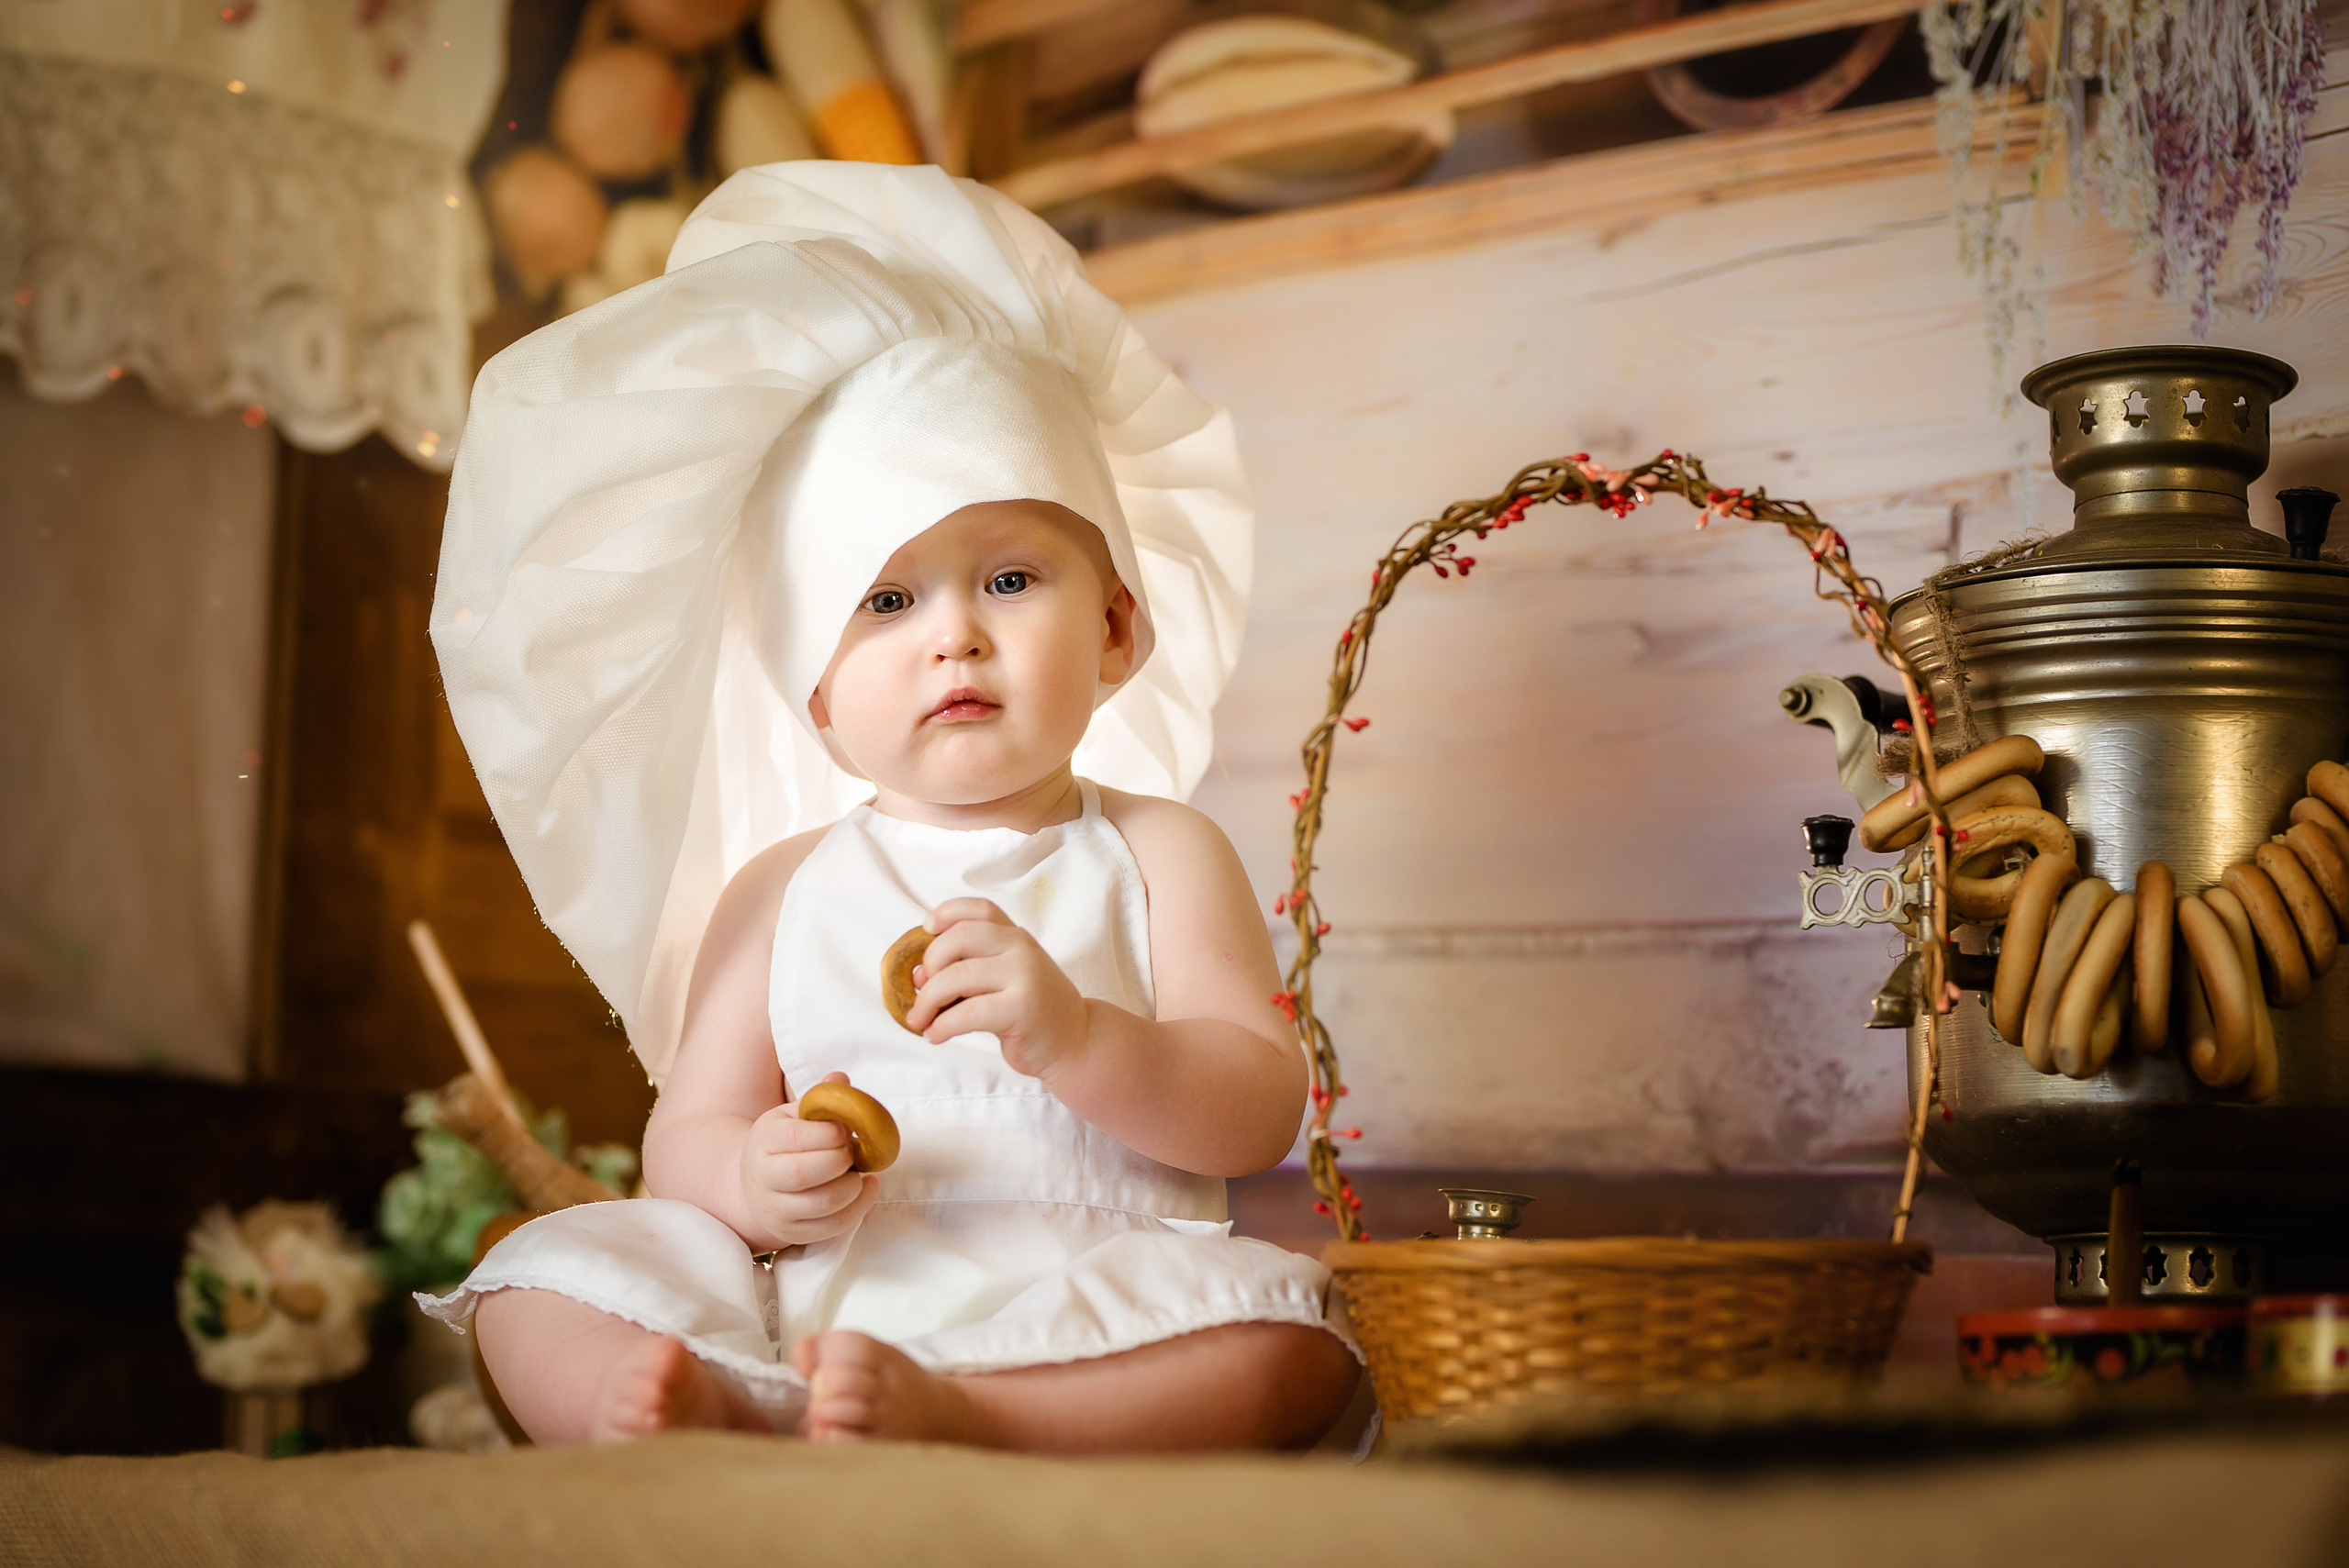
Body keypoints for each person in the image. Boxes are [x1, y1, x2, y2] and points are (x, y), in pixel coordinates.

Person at [418, 162, 1360, 1450]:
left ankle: (980, 1415)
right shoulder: (784, 887)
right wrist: (750, 1175)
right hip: (825, 1299)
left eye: (1013, 577)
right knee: (536, 1278)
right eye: (887, 599)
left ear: (1118, 627)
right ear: (813, 691)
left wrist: (1081, 1035)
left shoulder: (1157, 853)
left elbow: (1257, 1106)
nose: (956, 639)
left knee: (1295, 1351)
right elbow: (683, 1134)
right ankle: (689, 1412)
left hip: (1098, 1310)